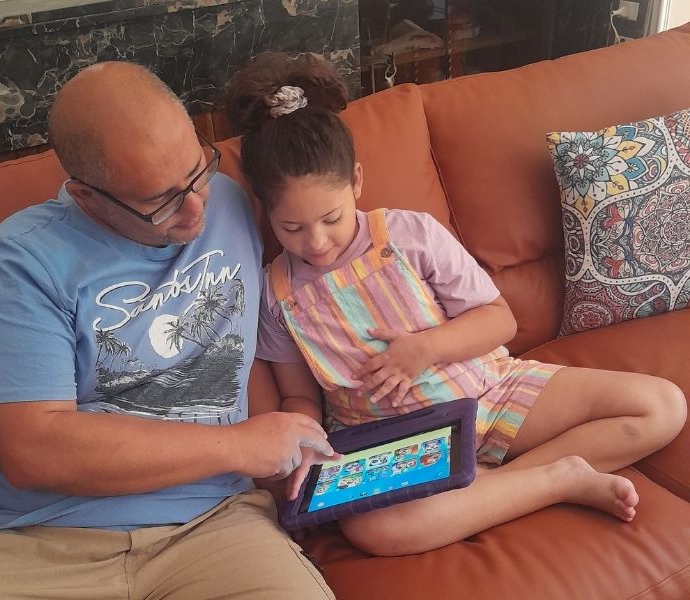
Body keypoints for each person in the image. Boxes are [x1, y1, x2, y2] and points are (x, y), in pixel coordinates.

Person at [224, 52, 688, 557]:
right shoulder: (276, 293)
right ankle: (552, 479)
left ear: (356, 180)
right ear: (264, 210)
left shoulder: (409, 235)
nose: (316, 243)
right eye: (291, 228)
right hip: (391, 442)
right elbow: (298, 398)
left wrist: (425, 349)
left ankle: (506, 484)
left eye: (331, 218)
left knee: (661, 407)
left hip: (487, 392)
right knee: (375, 531)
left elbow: (499, 321)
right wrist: (303, 449)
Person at [0, 61, 339, 600]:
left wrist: (289, 464)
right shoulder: (18, 264)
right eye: (160, 201)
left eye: (198, 171)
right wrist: (240, 446)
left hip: (216, 524)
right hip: (35, 542)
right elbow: (33, 450)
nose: (196, 210)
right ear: (87, 196)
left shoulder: (230, 203)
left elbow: (243, 349)